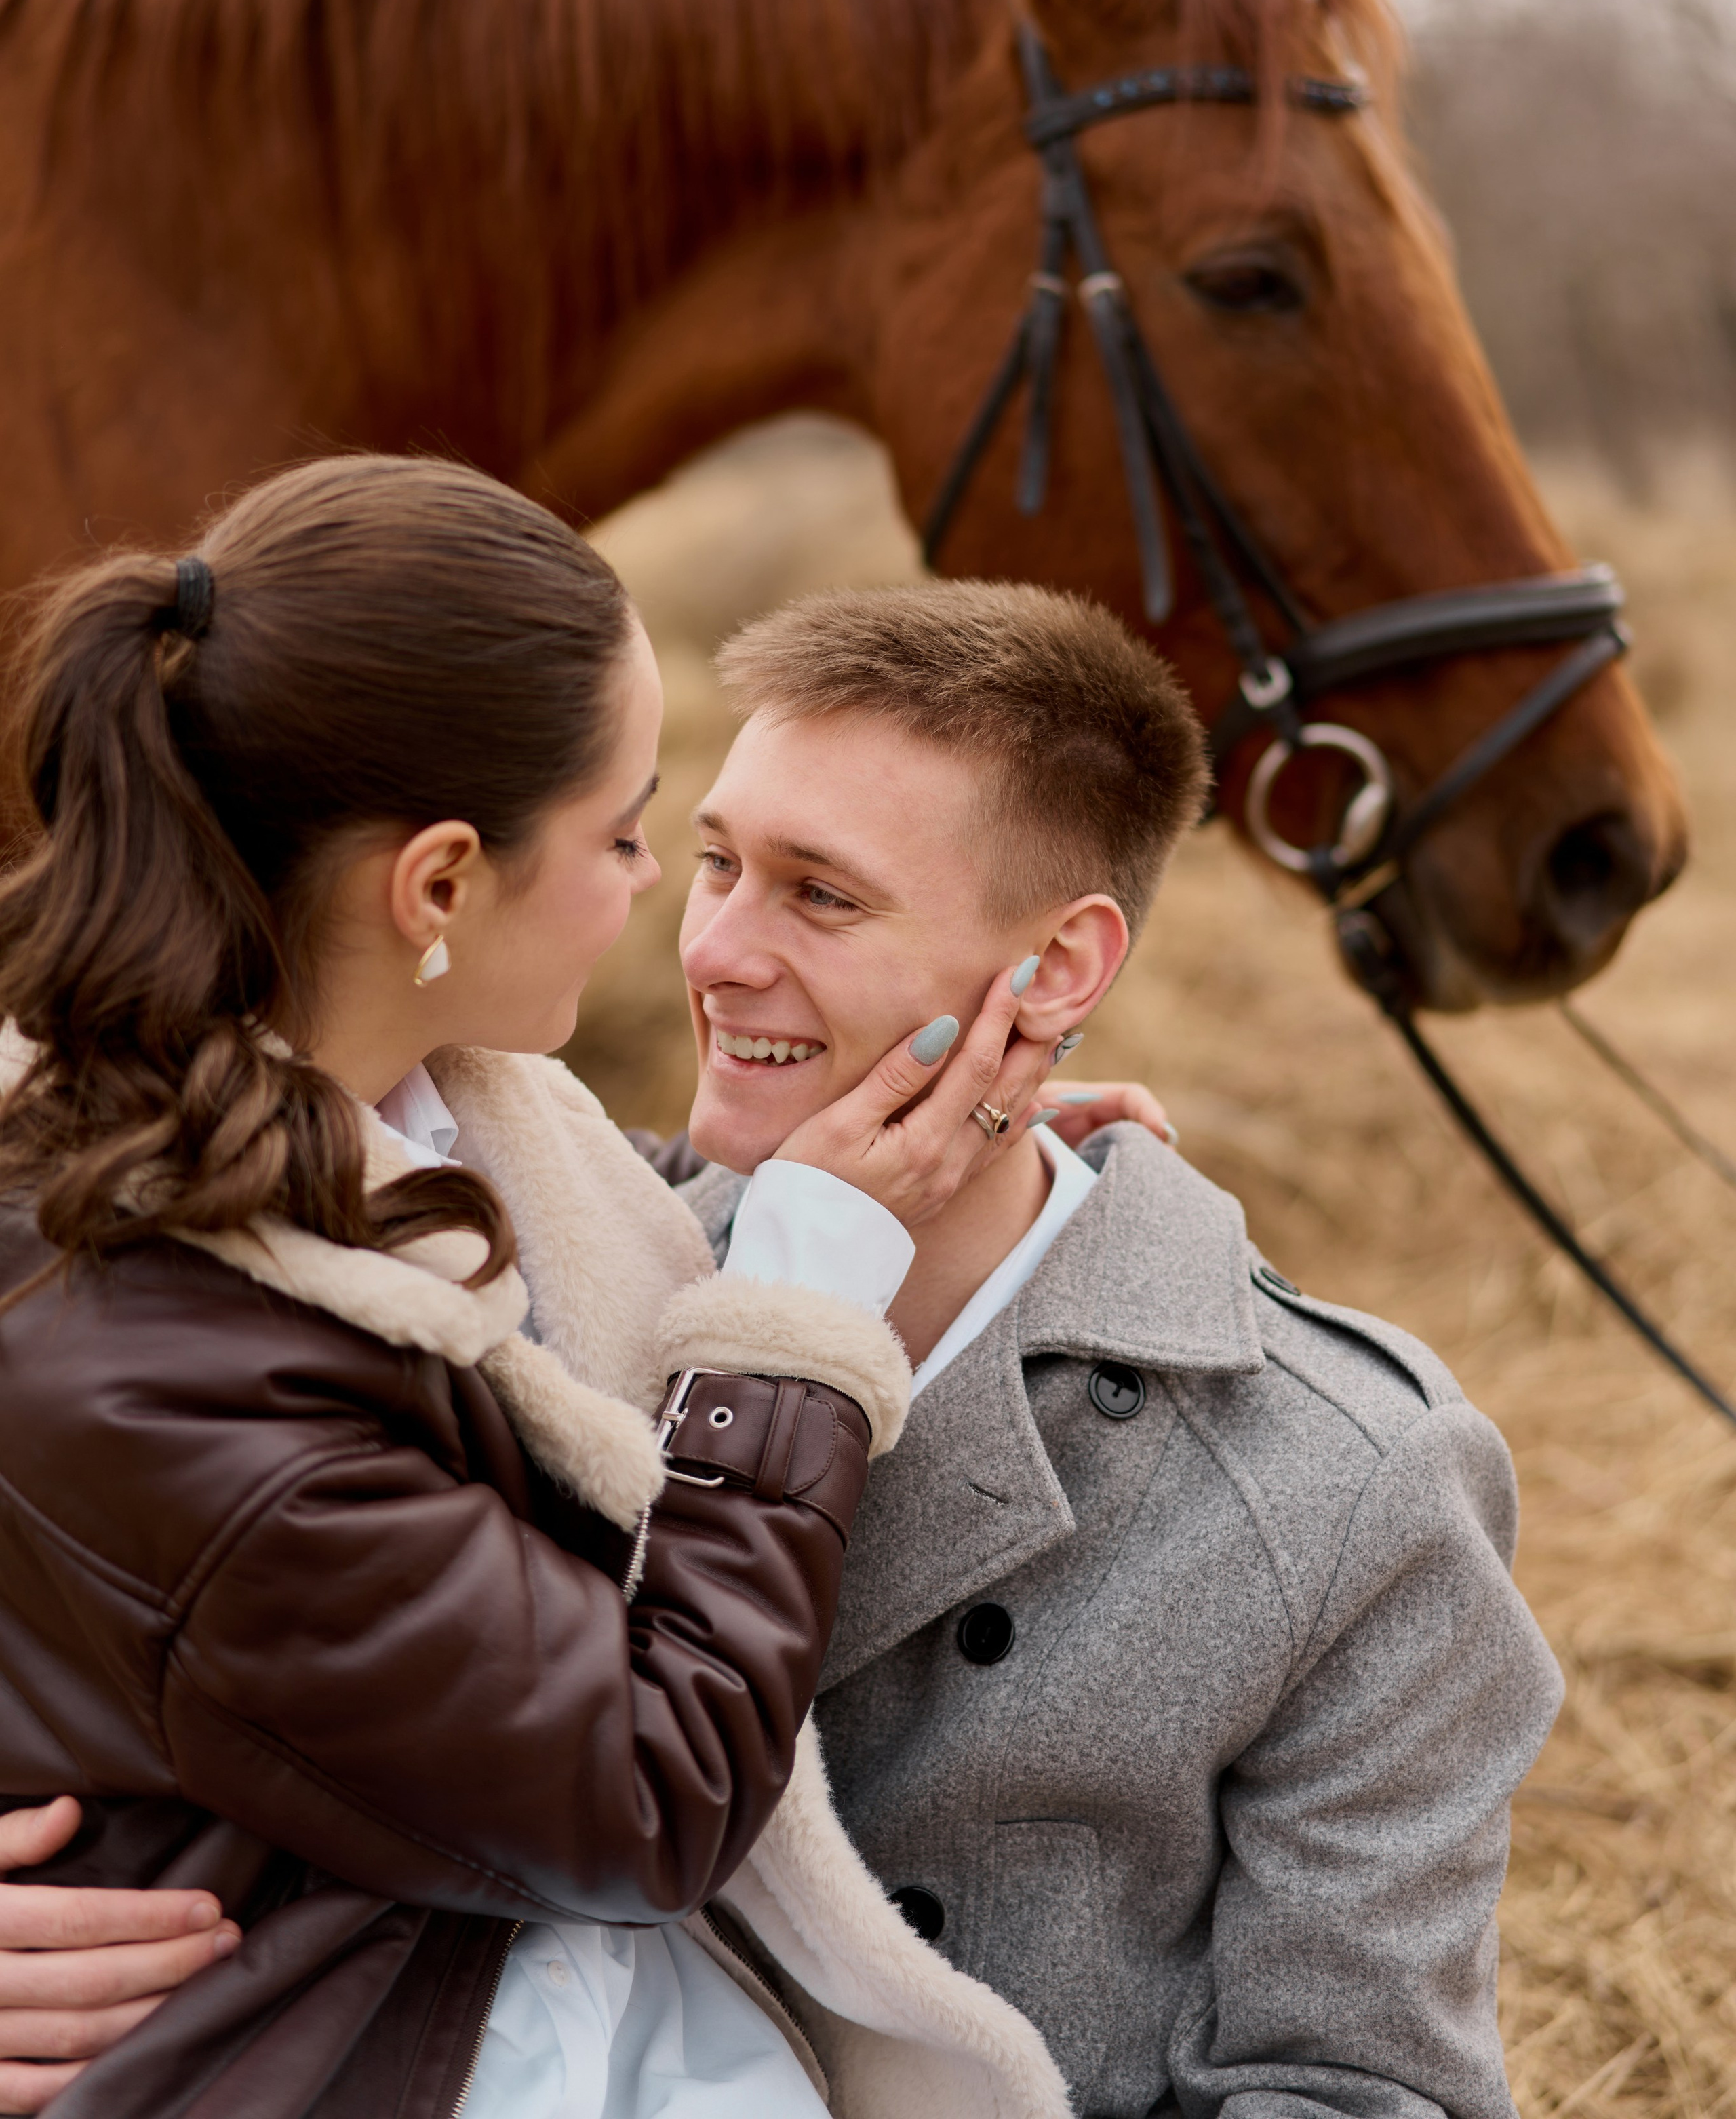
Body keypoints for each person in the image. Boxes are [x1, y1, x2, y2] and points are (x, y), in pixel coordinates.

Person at [5, 570, 1563, 2118]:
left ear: (1061, 970)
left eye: (820, 895)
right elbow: (120, 1595)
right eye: (706, 862)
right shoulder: (497, 1269)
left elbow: (1357, 2093)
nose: (715, 953)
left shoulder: (1347, 1483)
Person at [0, 463, 1078, 2119]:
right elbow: (648, 1794)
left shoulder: (382, 1108)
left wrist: (941, 1163)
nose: (673, 905)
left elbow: (507, 1253)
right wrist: (798, 1308)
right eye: (637, 832)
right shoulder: (175, 1368)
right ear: (436, 885)